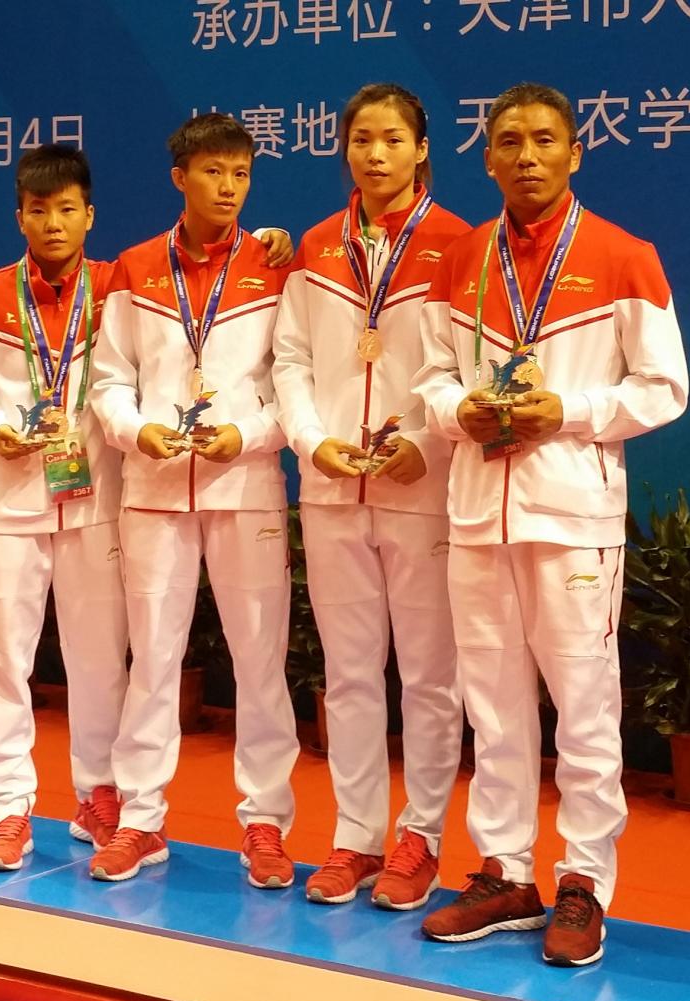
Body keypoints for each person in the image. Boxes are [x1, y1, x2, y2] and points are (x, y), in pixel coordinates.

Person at [414, 82, 689, 965]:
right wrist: (459, 411)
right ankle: (505, 873)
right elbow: (430, 378)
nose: (526, 156)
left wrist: (565, 411)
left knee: (584, 707)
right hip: (477, 513)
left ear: (575, 152)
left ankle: (583, 883)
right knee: (492, 708)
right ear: (487, 158)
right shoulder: (462, 259)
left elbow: (664, 388)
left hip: (573, 516)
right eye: (508, 141)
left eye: (543, 140)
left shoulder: (623, 256)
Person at [89, 114, 300, 888]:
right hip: (152, 491)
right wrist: (135, 431)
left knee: (260, 662)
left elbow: (294, 387)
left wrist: (246, 436)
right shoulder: (135, 268)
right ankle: (141, 820)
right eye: (213, 172)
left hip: (246, 487)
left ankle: (266, 822)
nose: (229, 187)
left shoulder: (274, 266)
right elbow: (109, 380)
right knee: (152, 660)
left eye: (241, 174)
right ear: (180, 177)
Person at [272, 83, 469, 910]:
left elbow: (469, 369)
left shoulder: (459, 245)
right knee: (349, 675)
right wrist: (311, 440)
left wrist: (427, 445)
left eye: (392, 139)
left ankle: (421, 837)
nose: (375, 153)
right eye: (361, 139)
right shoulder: (318, 246)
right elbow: (288, 359)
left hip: (420, 490)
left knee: (429, 675)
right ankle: (355, 835)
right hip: (330, 488)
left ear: (421, 149)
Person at [0, 145, 129, 870]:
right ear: (20, 216)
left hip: (95, 504)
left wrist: (271, 240)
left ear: (90, 215)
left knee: (100, 663)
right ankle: (9, 810)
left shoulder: (117, 288)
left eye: (67, 209)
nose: (53, 223)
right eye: (39, 210)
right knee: (5, 663)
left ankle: (98, 794)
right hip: (10, 508)